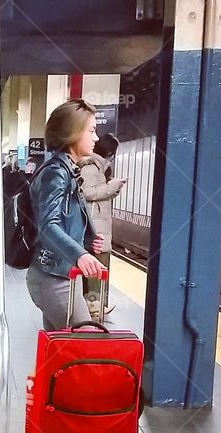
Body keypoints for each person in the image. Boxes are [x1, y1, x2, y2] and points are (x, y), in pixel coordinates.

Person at [26, 99, 107, 331]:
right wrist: (79, 254)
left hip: (59, 275)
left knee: (60, 356)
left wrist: (88, 242)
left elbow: (64, 219)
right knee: (87, 345)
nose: (96, 138)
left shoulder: (67, 170)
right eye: (91, 130)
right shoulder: (56, 173)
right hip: (52, 278)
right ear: (73, 132)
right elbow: (48, 225)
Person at [79, 133, 125, 320]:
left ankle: (96, 305)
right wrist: (111, 186)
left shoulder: (99, 168)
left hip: (99, 225)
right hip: (95, 227)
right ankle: (93, 306)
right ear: (110, 152)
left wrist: (114, 188)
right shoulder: (91, 168)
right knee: (96, 266)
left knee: (99, 266)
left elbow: (99, 195)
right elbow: (87, 193)